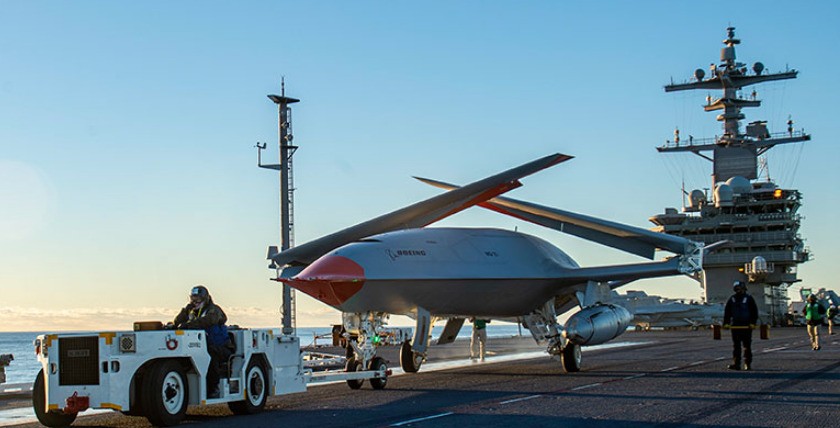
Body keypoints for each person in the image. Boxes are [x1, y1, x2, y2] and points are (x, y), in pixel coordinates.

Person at [172, 285, 232, 397]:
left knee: (210, 354)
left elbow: (209, 320)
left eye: (198, 299)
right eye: (193, 299)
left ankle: (214, 387)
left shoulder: (214, 310)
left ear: (205, 298)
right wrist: (185, 311)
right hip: (199, 346)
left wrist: (189, 325)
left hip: (221, 347)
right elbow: (177, 322)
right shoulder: (191, 312)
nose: (195, 302)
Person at [723, 281, 758, 370]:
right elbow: (727, 312)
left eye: (739, 288)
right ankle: (736, 364)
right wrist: (726, 323)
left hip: (746, 326)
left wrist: (753, 323)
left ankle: (747, 364)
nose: (738, 290)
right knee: (736, 346)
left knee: (747, 346)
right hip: (735, 326)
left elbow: (754, 312)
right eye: (737, 289)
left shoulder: (749, 299)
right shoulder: (732, 299)